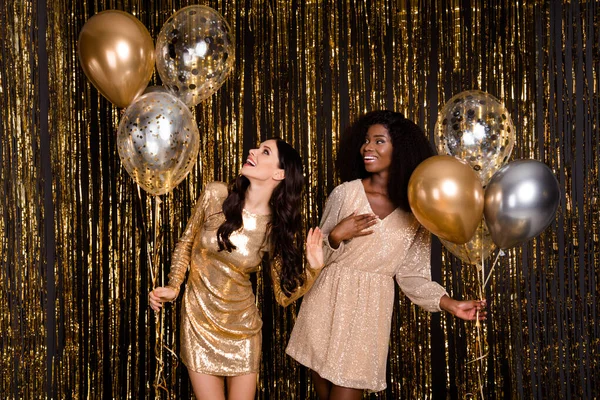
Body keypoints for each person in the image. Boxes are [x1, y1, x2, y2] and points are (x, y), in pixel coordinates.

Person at [286, 110, 486, 399]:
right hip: (326, 303)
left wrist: (450, 304)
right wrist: (336, 235)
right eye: (366, 141)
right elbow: (316, 259)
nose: (368, 147)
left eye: (379, 141)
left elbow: (412, 275)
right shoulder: (345, 194)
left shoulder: (417, 210)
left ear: (400, 150)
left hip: (370, 313)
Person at [149, 138, 324, 400]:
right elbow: (186, 243)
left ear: (280, 174)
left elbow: (282, 295)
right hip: (199, 322)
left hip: (243, 330)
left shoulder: (273, 228)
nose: (252, 151)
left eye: (265, 152)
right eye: (256, 147)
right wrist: (174, 287)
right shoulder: (215, 194)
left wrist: (313, 270)